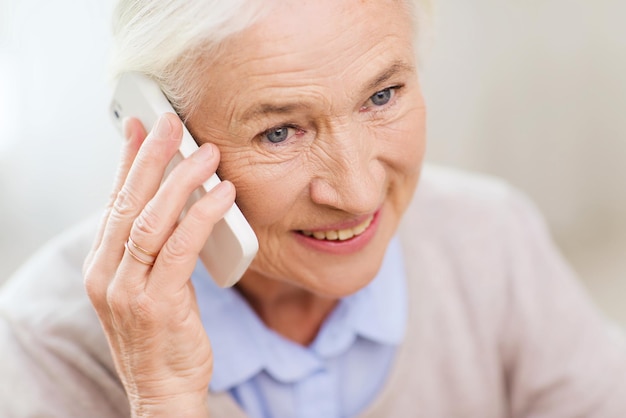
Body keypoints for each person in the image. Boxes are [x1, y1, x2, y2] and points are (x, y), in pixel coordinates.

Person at [1, 0, 625, 417]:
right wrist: (163, 399)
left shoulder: (493, 241)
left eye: (383, 95)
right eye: (280, 133)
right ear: (165, 139)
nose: (356, 194)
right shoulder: (43, 347)